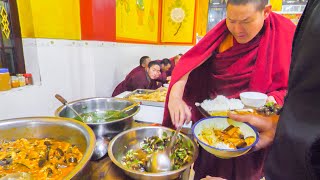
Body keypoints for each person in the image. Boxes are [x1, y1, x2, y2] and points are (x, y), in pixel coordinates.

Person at [162, 0, 296, 179]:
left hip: (253, 128)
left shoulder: (285, 33)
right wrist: (175, 97)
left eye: (246, 21)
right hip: (214, 126)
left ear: (266, 12)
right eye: (231, 20)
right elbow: (189, 63)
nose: (237, 29)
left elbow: (297, 87)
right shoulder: (222, 33)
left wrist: (274, 99)